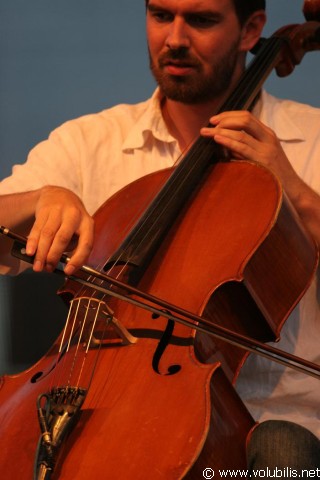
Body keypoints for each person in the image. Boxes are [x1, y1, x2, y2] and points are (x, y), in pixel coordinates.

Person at [0, 0, 320, 476]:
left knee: (283, 455)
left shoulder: (311, 137)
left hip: (272, 421)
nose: (174, 38)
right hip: (95, 400)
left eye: (201, 20)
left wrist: (295, 192)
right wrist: (40, 199)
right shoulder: (90, 142)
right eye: (161, 15)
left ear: (252, 29)